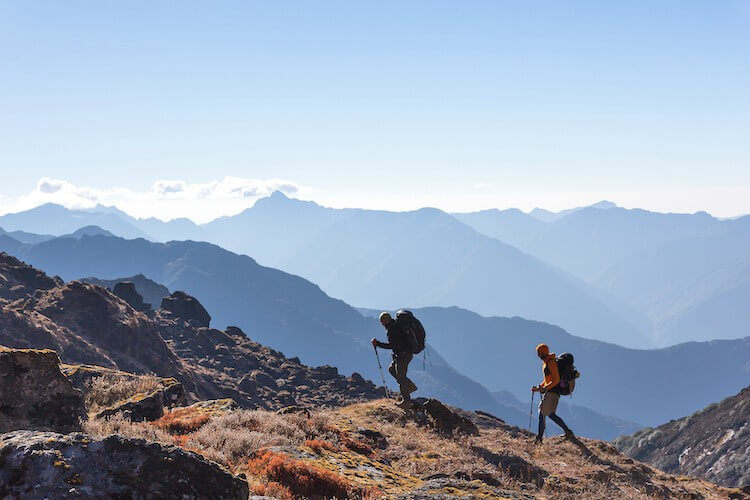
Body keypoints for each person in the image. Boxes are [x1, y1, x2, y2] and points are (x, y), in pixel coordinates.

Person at [372, 312, 418, 407]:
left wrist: (378, 344)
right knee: (392, 369)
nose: (382, 324)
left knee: (401, 377)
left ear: (384, 321)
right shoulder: (395, 326)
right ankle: (409, 386)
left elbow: (393, 345)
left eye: (382, 322)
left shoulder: (392, 330)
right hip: (404, 354)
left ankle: (406, 401)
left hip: (403, 356)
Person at [532, 343, 575, 443]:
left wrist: (545, 388)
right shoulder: (547, 363)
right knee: (550, 414)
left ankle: (539, 438)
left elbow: (556, 380)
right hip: (553, 392)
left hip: (552, 392)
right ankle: (567, 431)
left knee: (542, 412)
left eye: (539, 353)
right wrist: (539, 388)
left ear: (543, 353)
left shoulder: (551, 363)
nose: (538, 355)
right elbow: (548, 380)